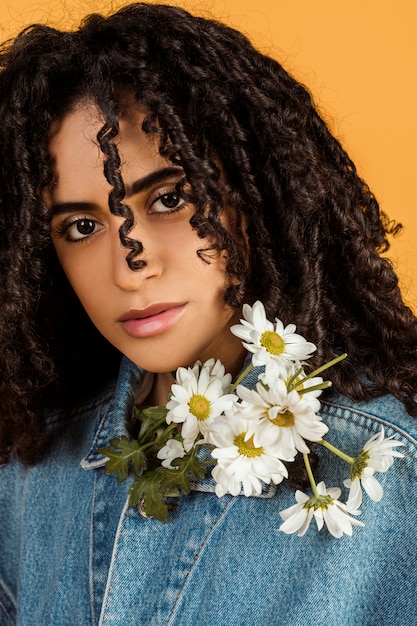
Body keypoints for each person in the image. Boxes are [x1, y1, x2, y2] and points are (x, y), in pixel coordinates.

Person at [0, 3, 416, 625]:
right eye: (82, 226)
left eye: (169, 197)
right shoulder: (30, 473)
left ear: (256, 195)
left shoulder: (390, 472)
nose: (128, 267)